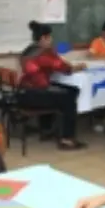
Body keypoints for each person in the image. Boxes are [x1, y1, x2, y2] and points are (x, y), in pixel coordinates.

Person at [18, 21, 87, 150]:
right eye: (50, 37)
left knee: (67, 90)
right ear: (44, 38)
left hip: (23, 93)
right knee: (69, 98)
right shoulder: (44, 53)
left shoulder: (30, 50)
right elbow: (64, 67)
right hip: (34, 94)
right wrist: (80, 67)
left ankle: (46, 129)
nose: (52, 40)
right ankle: (67, 139)